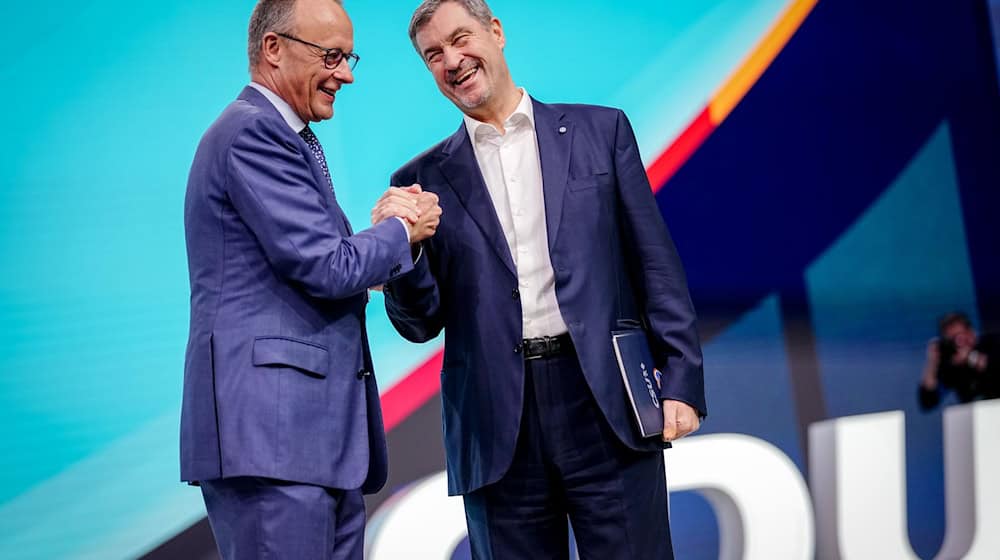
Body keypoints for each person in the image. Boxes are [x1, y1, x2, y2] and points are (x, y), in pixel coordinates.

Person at [383, 1, 706, 557]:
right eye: (434, 55)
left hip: (606, 400)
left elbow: (654, 263)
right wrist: (403, 250)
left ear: (497, 32)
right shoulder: (419, 182)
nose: (453, 61)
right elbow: (419, 323)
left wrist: (681, 380)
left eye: (461, 39)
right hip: (496, 423)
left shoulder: (600, 130)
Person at [180, 0, 440, 558]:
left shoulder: (288, 138)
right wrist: (402, 229)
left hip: (312, 446)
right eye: (331, 56)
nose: (346, 74)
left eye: (349, 57)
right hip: (274, 442)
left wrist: (382, 240)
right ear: (273, 49)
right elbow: (328, 267)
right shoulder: (253, 134)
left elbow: (328, 264)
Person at [919, 311, 998, 410]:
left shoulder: (991, 343)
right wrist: (932, 363)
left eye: (959, 335)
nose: (958, 343)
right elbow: (927, 401)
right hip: (974, 417)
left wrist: (970, 357)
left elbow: (993, 367)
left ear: (971, 332)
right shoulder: (954, 366)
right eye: (951, 340)